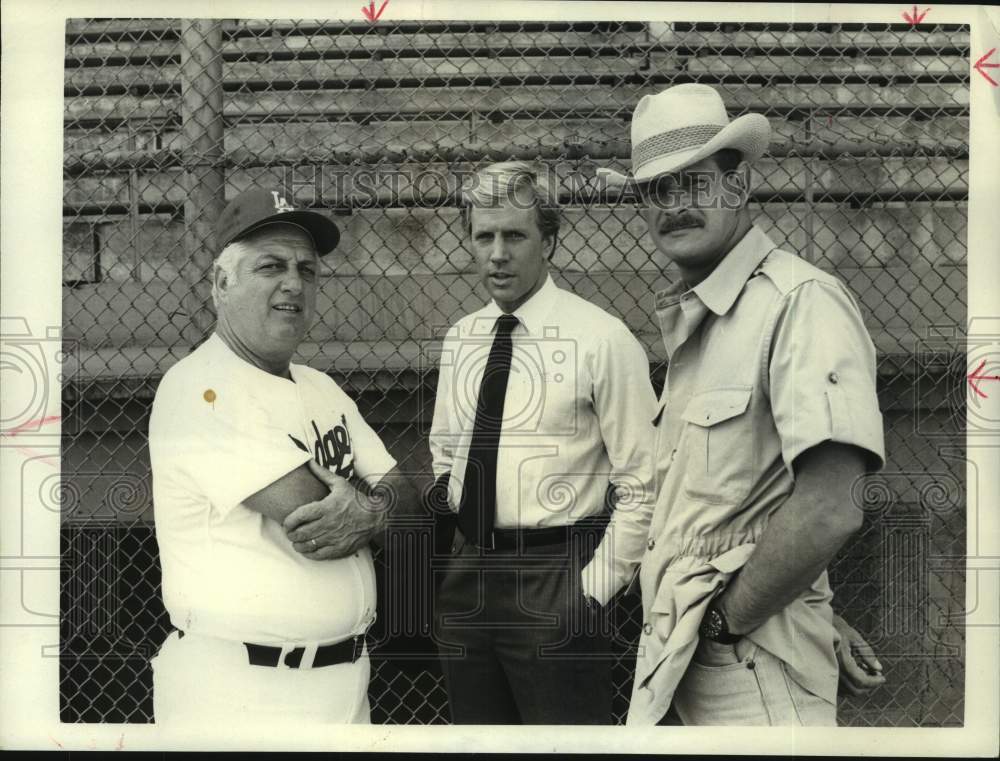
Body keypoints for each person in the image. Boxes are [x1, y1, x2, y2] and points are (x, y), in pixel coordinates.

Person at [599, 83, 888, 726]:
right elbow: (742, 508)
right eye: (656, 190)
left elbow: (831, 504)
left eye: (693, 183)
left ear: (737, 185)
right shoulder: (702, 318)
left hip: (750, 672)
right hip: (695, 661)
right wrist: (799, 601)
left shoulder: (798, 302)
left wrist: (729, 623)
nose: (674, 206)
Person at [148, 187, 419, 724]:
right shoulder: (199, 388)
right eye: (270, 266)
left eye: (307, 269)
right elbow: (311, 517)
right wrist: (376, 506)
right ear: (221, 284)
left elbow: (412, 507)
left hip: (344, 687)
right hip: (240, 692)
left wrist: (368, 510)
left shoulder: (321, 388)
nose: (293, 283)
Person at [427, 162, 659, 724]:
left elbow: (644, 479)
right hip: (471, 578)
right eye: (484, 236)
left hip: (558, 574)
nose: (498, 254)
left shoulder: (601, 339)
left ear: (549, 240)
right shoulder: (463, 338)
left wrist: (592, 595)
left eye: (515, 235)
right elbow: (447, 450)